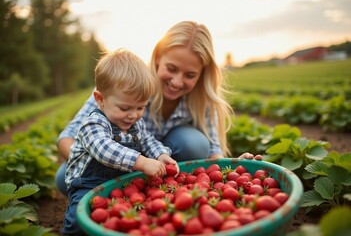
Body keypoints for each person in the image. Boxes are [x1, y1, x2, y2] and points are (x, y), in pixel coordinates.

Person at [56, 21, 262, 196]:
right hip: (112, 164)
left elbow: (213, 155)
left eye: (190, 75)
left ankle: (164, 189)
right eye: (171, 69)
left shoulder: (200, 100)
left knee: (195, 143)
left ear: (201, 74)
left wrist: (235, 167)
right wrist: (115, 166)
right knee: (62, 178)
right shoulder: (123, 88)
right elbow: (67, 138)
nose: (177, 81)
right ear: (156, 59)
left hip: (161, 166)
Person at [61, 49, 176, 235]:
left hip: (122, 181)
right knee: (78, 220)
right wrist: (142, 162)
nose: (133, 115)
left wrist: (161, 155)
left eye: (141, 107)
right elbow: (105, 150)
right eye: (124, 108)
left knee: (131, 216)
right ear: (100, 99)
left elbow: (148, 140)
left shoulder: (134, 122)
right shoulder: (94, 124)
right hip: (89, 184)